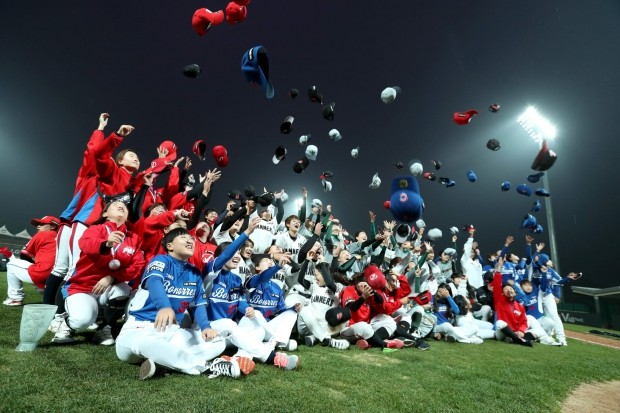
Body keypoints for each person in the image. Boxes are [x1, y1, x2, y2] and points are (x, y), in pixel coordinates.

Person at [117, 227, 254, 380]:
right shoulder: (160, 260)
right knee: (147, 343)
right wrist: (164, 306)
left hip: (172, 332)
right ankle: (207, 367)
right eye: (183, 237)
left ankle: (162, 362)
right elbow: (154, 281)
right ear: (170, 246)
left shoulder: (194, 272)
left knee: (218, 343)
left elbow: (199, 304)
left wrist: (205, 327)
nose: (190, 240)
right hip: (139, 329)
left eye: (191, 238)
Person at [202, 216, 300, 370]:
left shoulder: (236, 279)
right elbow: (230, 258)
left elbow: (245, 295)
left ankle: (240, 357)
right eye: (232, 254)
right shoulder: (210, 274)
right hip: (208, 328)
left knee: (258, 329)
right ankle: (272, 356)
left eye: (237, 254)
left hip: (227, 332)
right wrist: (247, 232)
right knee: (230, 325)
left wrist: (246, 307)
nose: (236, 256)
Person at [52, 201, 145, 345]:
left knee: (123, 289)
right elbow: (85, 244)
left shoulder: (134, 238)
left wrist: (113, 277)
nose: (121, 206)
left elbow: (137, 265)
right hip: (82, 287)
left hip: (109, 287)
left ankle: (104, 328)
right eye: (115, 205)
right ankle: (65, 324)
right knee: (82, 321)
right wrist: (105, 244)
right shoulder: (95, 229)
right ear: (105, 214)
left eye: (124, 206)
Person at [4, 216, 59, 306]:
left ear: (53, 226)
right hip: (58, 278)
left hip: (43, 274)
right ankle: (48, 291)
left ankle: (15, 298)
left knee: (11, 264)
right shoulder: (63, 238)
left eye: (42, 224)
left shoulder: (43, 234)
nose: (38, 226)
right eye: (38, 224)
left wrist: (34, 266)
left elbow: (24, 254)